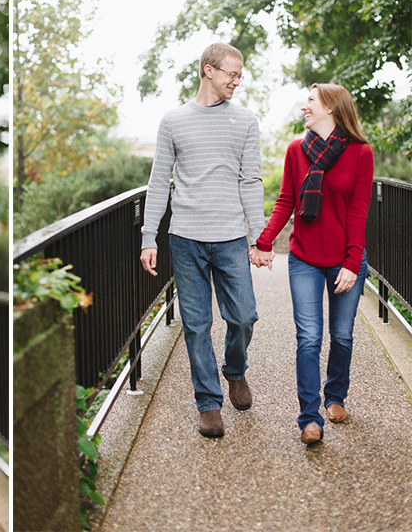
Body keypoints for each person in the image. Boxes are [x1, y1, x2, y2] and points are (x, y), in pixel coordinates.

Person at [140, 42, 264, 438]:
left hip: (230, 236)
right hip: (185, 237)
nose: (236, 81)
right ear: (207, 70)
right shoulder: (173, 121)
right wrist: (149, 236)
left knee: (243, 316)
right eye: (231, 73)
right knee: (196, 324)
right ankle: (208, 403)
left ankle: (235, 370)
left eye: (240, 75)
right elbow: (159, 181)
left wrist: (258, 238)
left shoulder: (245, 121)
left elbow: (251, 180)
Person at [251, 83, 373, 445]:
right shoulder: (295, 151)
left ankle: (335, 395)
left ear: (331, 108)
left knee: (344, 335)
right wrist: (263, 241)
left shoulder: (361, 153)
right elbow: (286, 200)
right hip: (304, 257)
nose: (304, 106)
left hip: (345, 260)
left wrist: (352, 262)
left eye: (310, 101)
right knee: (308, 338)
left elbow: (358, 211)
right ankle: (310, 417)